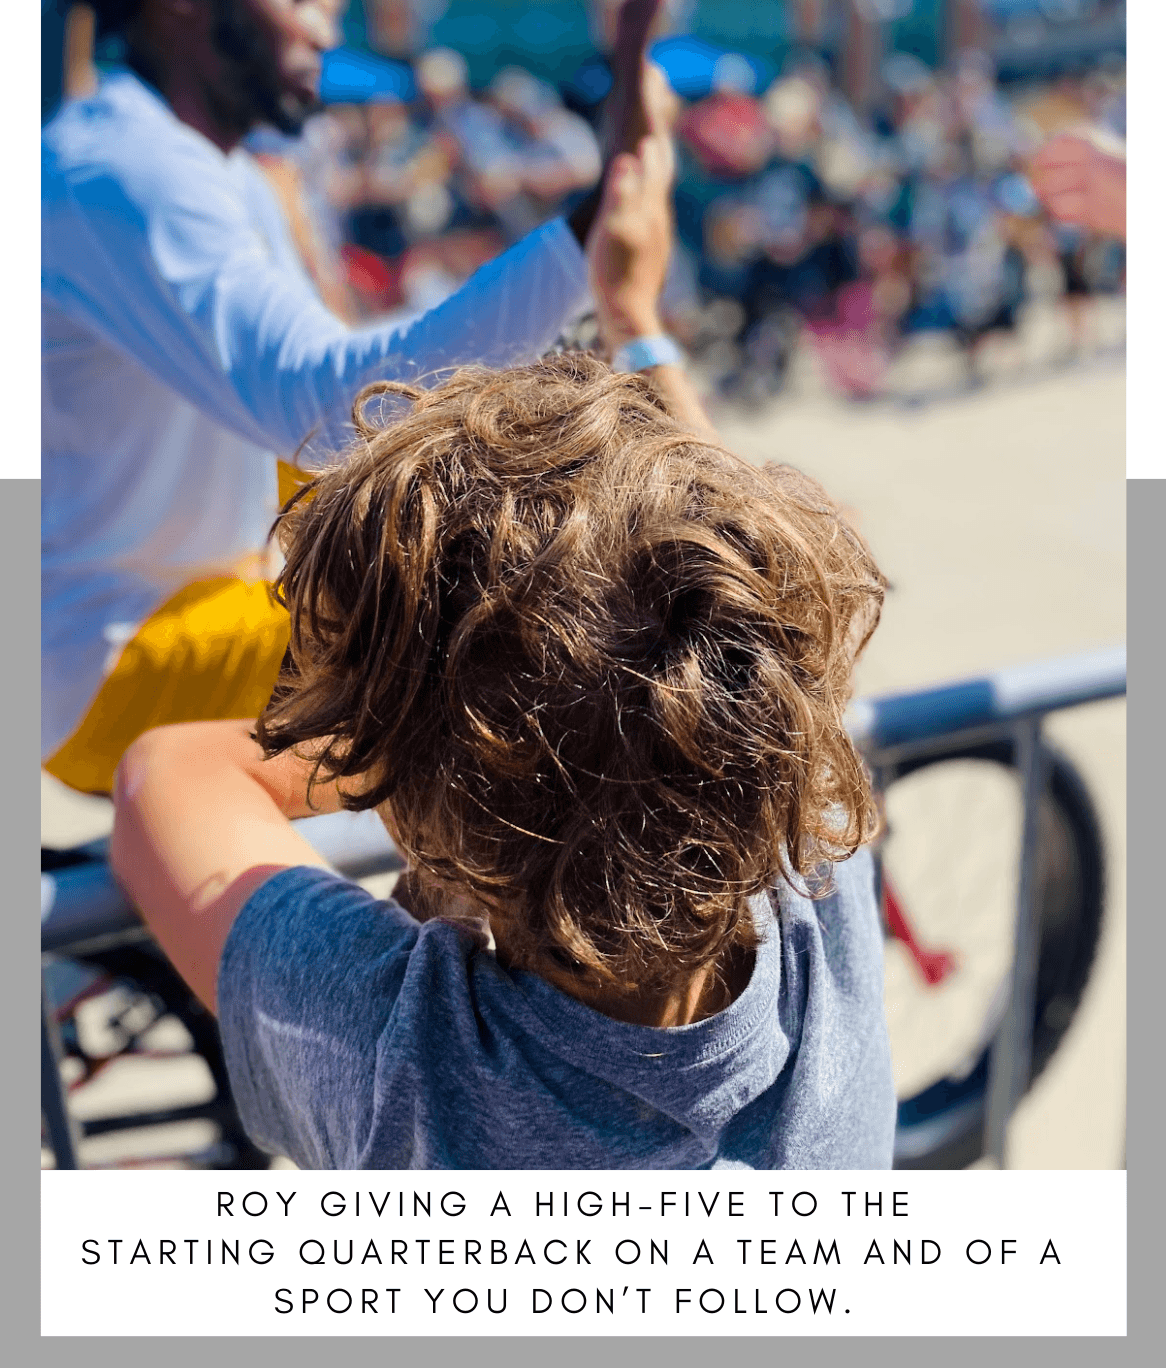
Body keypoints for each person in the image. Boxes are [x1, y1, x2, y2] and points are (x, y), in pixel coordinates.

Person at [109, 133, 895, 1171]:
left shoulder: (405, 1057)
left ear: (425, 798)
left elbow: (165, 773)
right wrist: (637, 322)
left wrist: (405, 740)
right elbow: (736, 582)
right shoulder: (819, 898)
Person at [42, 0, 675, 796]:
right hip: (119, 664)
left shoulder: (215, 168)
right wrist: (595, 218)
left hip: (206, 606)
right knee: (533, 652)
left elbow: (330, 409)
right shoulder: (120, 166)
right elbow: (337, 414)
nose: (327, 20)